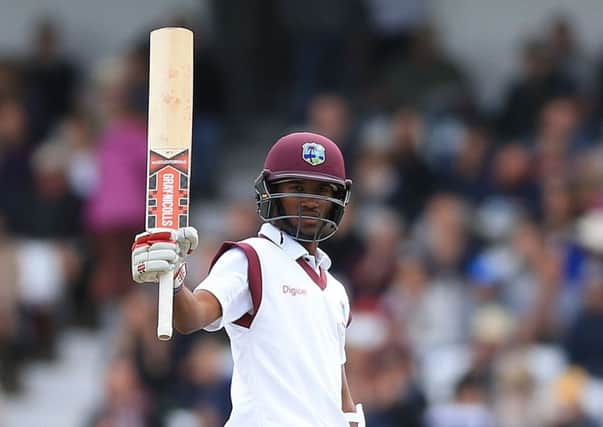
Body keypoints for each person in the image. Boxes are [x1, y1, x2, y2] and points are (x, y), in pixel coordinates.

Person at [131, 132, 364, 426]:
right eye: (297, 187)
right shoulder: (251, 258)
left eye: (322, 190)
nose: (311, 201)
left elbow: (338, 389)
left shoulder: (335, 290)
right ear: (270, 192)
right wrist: (174, 279)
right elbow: (192, 317)